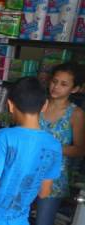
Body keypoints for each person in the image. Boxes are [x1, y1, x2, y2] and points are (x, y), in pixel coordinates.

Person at [0, 77, 62, 225]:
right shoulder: (54, 145)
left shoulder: (4, 137)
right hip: (19, 220)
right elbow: (44, 192)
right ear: (44, 105)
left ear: (10, 105)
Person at [35, 62, 85, 225]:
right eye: (54, 81)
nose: (56, 87)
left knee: (43, 221)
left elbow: (80, 150)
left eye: (64, 84)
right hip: (26, 170)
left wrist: (53, 147)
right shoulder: (38, 104)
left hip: (54, 179)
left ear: (75, 89)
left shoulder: (76, 114)